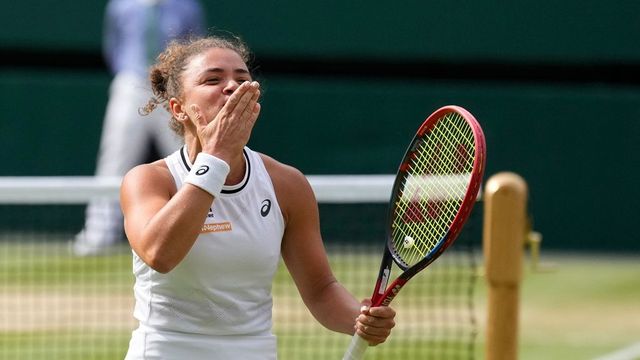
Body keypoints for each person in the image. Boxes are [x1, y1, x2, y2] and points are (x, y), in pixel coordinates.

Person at [120, 34, 397, 359]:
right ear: (179, 108)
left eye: (242, 79)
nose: (232, 86)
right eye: (212, 79)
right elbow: (160, 254)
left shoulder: (287, 184)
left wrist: (359, 319)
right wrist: (216, 158)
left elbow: (321, 290)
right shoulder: (149, 180)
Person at [73, 0, 205, 256]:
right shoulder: (120, 6)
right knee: (115, 161)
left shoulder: (188, 7)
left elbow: (195, 53)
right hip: (130, 84)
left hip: (171, 90)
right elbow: (113, 47)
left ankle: (204, 231)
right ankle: (98, 235)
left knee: (189, 157)